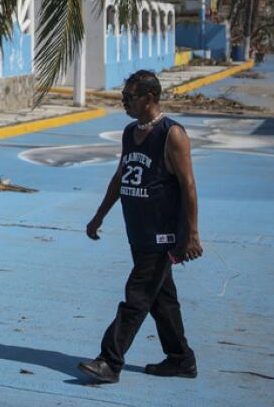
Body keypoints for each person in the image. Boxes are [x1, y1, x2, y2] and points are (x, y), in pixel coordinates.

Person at [77, 70, 203, 384]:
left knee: (137, 297)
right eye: (123, 97)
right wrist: (98, 216)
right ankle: (181, 359)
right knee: (162, 301)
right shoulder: (130, 132)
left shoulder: (172, 134)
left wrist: (191, 235)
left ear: (148, 97)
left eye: (129, 97)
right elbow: (121, 178)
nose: (124, 103)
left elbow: (188, 187)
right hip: (139, 232)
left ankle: (110, 361)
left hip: (163, 236)